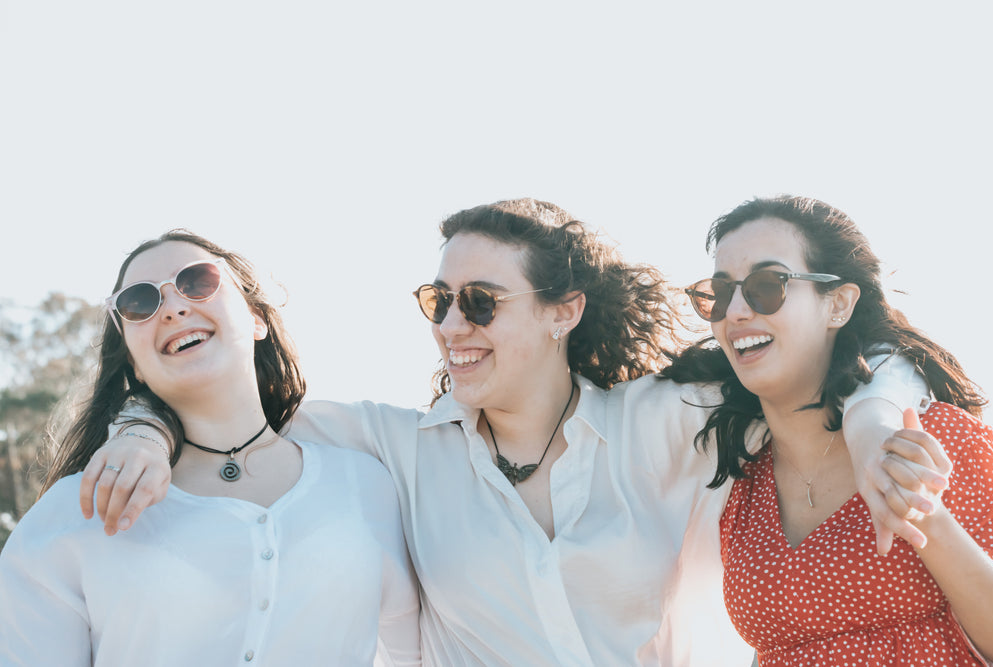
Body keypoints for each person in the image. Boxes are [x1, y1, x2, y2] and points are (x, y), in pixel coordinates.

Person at [80, 200, 929, 666]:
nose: (453, 324)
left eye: (482, 302)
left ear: (564, 312)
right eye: (437, 300)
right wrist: (140, 425)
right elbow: (227, 405)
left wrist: (876, 419)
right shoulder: (395, 446)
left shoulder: (664, 420)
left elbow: (851, 355)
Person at [0, 231, 420, 666]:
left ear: (257, 318)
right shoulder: (73, 513)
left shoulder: (367, 485)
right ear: (134, 365)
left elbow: (417, 655)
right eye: (140, 303)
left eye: (197, 281)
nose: (175, 309)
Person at [662, 195, 993, 665]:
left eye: (767, 285)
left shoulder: (936, 437)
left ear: (837, 304)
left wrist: (923, 512)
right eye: (719, 294)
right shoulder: (741, 484)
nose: (735, 311)